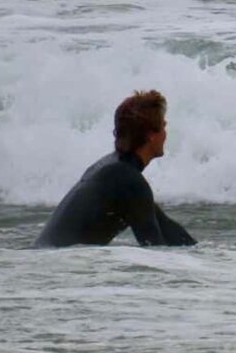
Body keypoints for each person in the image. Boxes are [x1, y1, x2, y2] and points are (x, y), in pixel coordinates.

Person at [35, 90, 196, 248]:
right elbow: (155, 251)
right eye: (163, 126)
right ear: (151, 135)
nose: (166, 134)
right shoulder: (128, 181)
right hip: (55, 265)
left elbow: (165, 226)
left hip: (43, 261)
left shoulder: (114, 171)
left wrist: (202, 256)